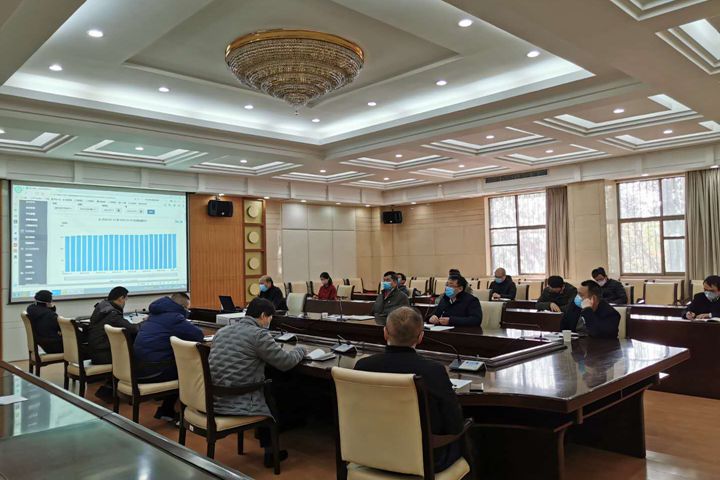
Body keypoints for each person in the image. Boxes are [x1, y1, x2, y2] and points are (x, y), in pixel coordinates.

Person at [355, 307, 464, 473]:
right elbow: (454, 425)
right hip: (422, 458)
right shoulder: (433, 371)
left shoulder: (363, 366)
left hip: (370, 453)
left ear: (385, 333)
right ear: (421, 337)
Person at [209, 298, 305, 468]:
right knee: (274, 391)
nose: (270, 321)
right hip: (241, 399)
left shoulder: (222, 331)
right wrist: (301, 350)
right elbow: (285, 362)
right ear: (263, 315)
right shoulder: (259, 334)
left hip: (214, 398)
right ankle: (271, 451)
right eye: (270, 317)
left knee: (271, 384)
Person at [133, 293, 204, 421]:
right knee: (191, 370)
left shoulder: (154, 314)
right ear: (182, 307)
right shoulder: (175, 318)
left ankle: (167, 410)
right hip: (154, 370)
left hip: (138, 368)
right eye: (187, 309)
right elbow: (198, 335)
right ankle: (191, 413)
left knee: (179, 365)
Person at [87, 286, 139, 401]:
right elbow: (133, 329)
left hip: (95, 351)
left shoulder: (102, 308)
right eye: (126, 299)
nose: (125, 302)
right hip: (103, 354)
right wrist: (147, 323)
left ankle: (111, 387)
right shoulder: (112, 314)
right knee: (134, 355)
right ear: (121, 298)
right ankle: (127, 390)